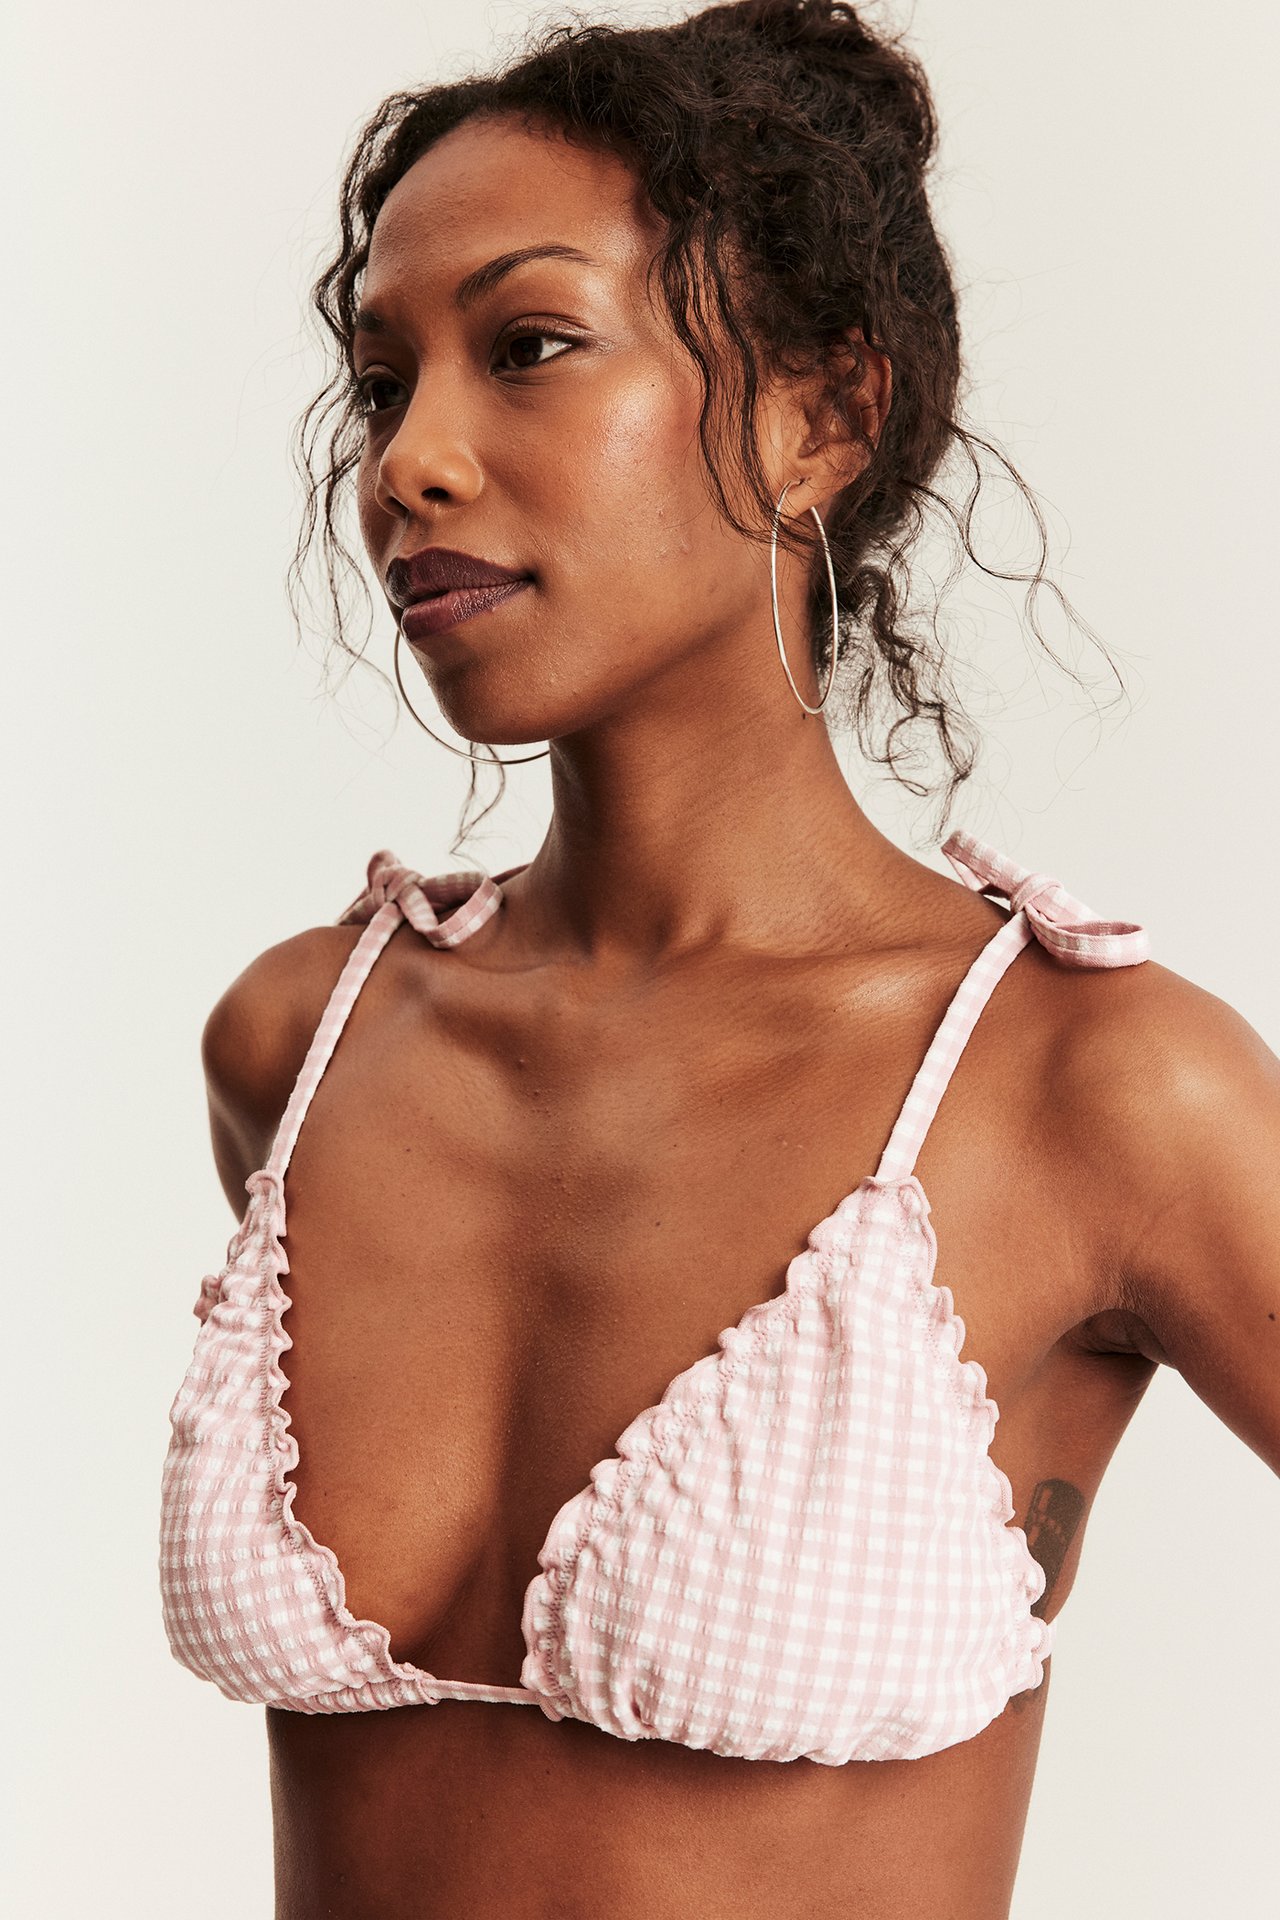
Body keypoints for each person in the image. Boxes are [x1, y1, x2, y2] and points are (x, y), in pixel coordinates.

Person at [159, 3, 1280, 1914]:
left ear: (817, 416)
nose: (409, 464)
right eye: (379, 384)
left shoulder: (1094, 1087)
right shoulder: (305, 1042)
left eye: (527, 350)